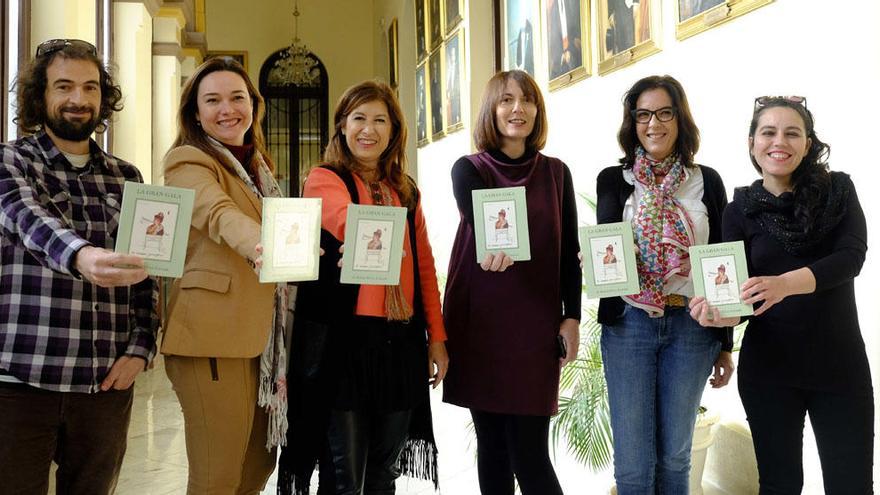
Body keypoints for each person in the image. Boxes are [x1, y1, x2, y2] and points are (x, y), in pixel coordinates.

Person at [690, 96, 873, 493]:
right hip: (769, 372)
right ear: (752, 143)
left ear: (808, 143)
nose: (780, 141)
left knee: (851, 485)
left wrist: (784, 284)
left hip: (839, 367)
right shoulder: (739, 210)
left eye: (793, 133)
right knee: (779, 486)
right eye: (768, 132)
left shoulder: (838, 189)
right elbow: (741, 298)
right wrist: (719, 314)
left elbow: (851, 257)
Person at [0, 38, 158, 494]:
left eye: (90, 88)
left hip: (103, 385)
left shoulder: (126, 177)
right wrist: (82, 256)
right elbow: (28, 220)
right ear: (40, 96)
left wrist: (141, 347)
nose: (78, 99)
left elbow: (146, 274)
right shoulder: (11, 161)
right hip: (21, 378)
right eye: (64, 86)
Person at [277, 80, 447, 495]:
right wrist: (379, 238)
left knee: (383, 475)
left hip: (400, 345)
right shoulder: (323, 179)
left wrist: (437, 340)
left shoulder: (406, 190)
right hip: (343, 346)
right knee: (343, 477)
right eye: (358, 119)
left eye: (379, 120)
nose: (368, 129)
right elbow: (347, 220)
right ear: (341, 126)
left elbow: (424, 268)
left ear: (393, 131)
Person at [443, 70, 580, 495]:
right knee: (494, 448)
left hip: (535, 326)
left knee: (530, 454)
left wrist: (571, 316)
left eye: (526, 100)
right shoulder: (468, 168)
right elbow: (478, 218)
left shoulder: (557, 174)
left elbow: (569, 253)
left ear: (538, 110)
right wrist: (492, 239)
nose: (517, 109)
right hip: (481, 322)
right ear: (491, 109)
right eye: (505, 100)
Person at [595, 75, 733, 494]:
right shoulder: (613, 180)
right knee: (633, 465)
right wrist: (596, 260)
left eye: (664, 112)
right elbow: (607, 250)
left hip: (692, 327)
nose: (653, 123)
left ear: (679, 118)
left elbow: (721, 261)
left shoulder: (706, 180)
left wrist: (724, 342)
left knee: (676, 457)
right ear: (632, 123)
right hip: (629, 325)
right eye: (643, 115)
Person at [161, 56, 287, 493]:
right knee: (217, 476)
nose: (227, 109)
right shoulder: (188, 161)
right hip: (210, 336)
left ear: (254, 105)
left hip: (264, 339)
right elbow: (217, 213)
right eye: (212, 100)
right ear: (196, 112)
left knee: (256, 468)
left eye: (237, 97)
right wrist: (262, 244)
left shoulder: (258, 167)